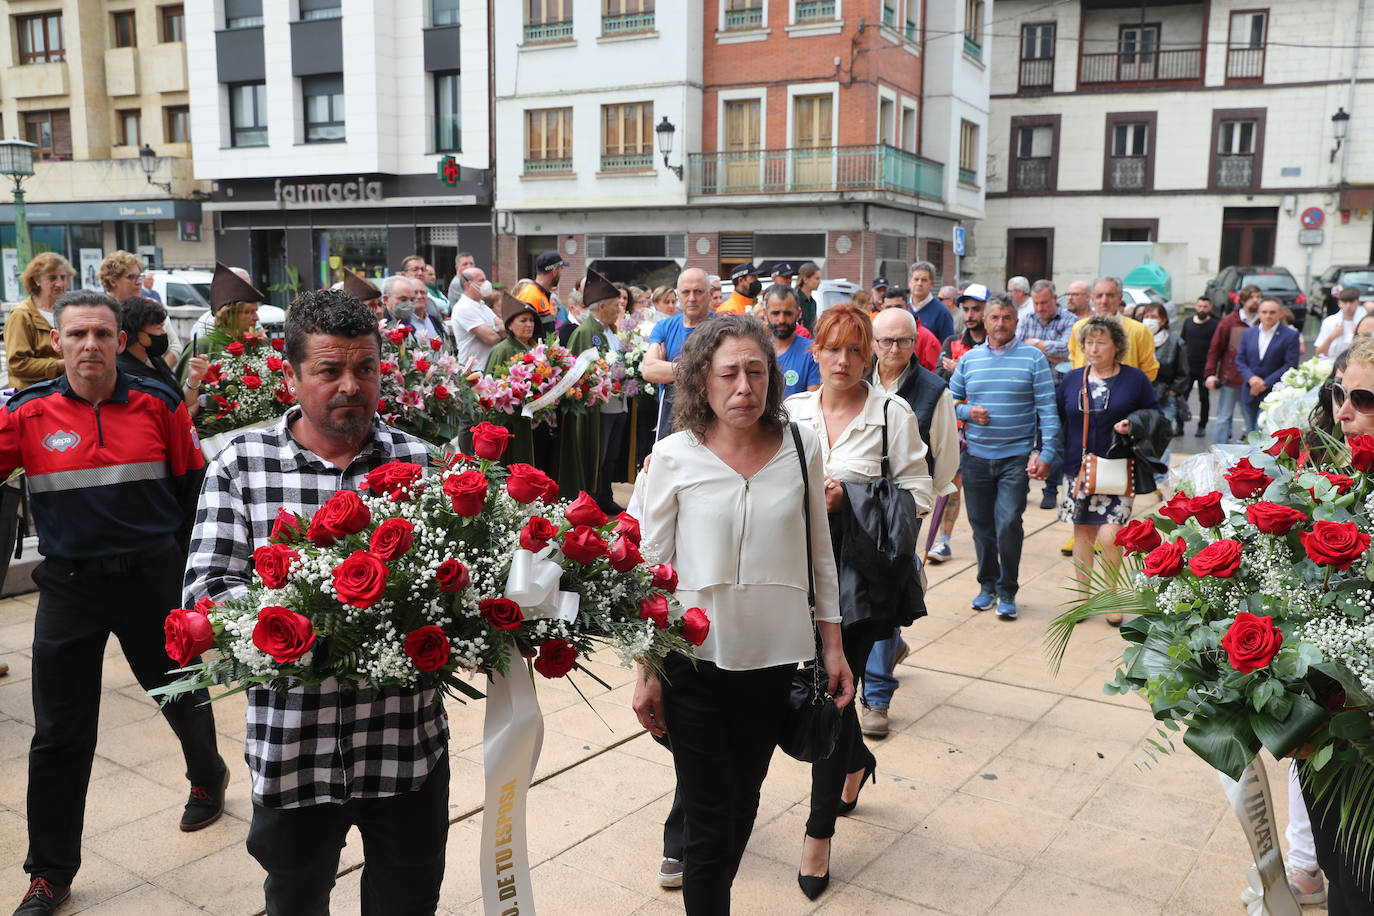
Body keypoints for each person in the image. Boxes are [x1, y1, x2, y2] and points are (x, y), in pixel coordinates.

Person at [184, 288, 450, 915]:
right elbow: (207, 591)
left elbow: (457, 581)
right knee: (296, 899)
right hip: (293, 751)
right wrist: (312, 617)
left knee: (408, 900)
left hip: (404, 746)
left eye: (365, 368)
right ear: (292, 376)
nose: (350, 386)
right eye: (329, 370)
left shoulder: (423, 462)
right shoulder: (240, 466)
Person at [8, 290, 226, 916]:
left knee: (180, 693)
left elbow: (191, 492)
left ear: (117, 338)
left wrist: (195, 582)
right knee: (59, 732)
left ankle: (207, 774)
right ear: (57, 342)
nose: (90, 346)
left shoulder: (159, 402)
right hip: (69, 587)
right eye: (76, 335)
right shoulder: (26, 414)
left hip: (151, 580)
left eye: (102, 334)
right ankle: (50, 872)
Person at [633, 314, 854, 914]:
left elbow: (821, 556)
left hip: (775, 659)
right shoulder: (672, 456)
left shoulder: (802, 446)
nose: (743, 387)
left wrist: (831, 646)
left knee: (742, 804)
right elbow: (651, 572)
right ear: (700, 382)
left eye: (756, 372)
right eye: (728, 373)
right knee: (707, 819)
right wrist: (646, 668)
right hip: (692, 662)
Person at [784, 306, 931, 901]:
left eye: (854, 350)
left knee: (832, 695)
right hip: (795, 570)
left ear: (871, 353)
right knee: (814, 693)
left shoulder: (893, 414)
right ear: (813, 352)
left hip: (861, 577)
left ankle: (817, 834)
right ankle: (856, 762)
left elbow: (921, 491)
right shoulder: (790, 411)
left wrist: (853, 496)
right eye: (831, 349)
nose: (842, 361)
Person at [1301, 334, 1374, 914]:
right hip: (1329, 730)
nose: (1343, 412)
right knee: (1342, 872)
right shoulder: (1325, 479)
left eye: (1365, 398)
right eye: (1339, 394)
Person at [860, 307, 958, 739]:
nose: (894, 349)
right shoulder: (855, 381)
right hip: (854, 503)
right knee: (853, 592)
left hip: (902, 509)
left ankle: (877, 696)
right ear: (873, 344)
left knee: (883, 591)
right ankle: (890, 646)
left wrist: (920, 509)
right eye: (885, 341)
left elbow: (946, 458)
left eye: (903, 341)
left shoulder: (935, 391)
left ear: (915, 342)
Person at [948, 295, 1060, 619]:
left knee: (1008, 522)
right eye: (994, 317)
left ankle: (1008, 589)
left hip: (1016, 457)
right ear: (985, 321)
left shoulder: (1033, 359)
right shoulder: (969, 360)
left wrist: (1047, 452)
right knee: (981, 527)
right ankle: (987, 585)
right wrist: (968, 411)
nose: (1000, 323)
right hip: (976, 458)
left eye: (1007, 317)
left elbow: (1048, 411)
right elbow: (949, 401)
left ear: (1016, 321)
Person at [1057, 316, 1160, 626]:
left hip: (1118, 467)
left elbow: (1154, 414)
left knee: (1111, 534)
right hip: (1078, 468)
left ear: (1117, 346)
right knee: (1083, 533)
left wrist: (1133, 424)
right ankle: (1083, 598)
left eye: (1101, 342)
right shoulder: (1071, 379)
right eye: (1088, 342)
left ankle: (1112, 596)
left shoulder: (1135, 378)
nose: (1093, 348)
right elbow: (1060, 421)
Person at [928, 284, 990, 564]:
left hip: (991, 430)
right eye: (965, 309)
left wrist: (961, 366)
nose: (970, 314)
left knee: (985, 496)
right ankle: (943, 540)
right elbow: (941, 380)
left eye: (976, 308)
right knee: (952, 484)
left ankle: (988, 547)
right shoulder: (952, 341)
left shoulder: (996, 344)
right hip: (958, 428)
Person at [566, 269, 626, 511]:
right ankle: (591, 499)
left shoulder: (611, 330)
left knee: (610, 455)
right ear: (602, 307)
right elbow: (578, 373)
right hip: (598, 409)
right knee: (596, 455)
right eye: (615, 305)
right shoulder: (587, 332)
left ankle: (604, 496)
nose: (619, 309)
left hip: (617, 404)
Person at [1016, 279, 1076, 507]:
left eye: (1044, 303)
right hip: (1029, 388)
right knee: (1026, 438)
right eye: (1036, 303)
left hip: (1059, 388)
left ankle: (1050, 488)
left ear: (1054, 299)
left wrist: (1037, 344)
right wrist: (1049, 350)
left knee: (1053, 438)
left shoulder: (1070, 320)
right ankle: (1021, 485)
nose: (1040, 308)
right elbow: (1019, 348)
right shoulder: (1026, 318)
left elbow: (1067, 349)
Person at [643, 268, 711, 439]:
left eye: (698, 292)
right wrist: (696, 370)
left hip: (711, 419)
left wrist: (667, 369)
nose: (692, 298)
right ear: (678, 295)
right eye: (686, 292)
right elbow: (649, 370)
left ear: (709, 294)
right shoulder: (664, 327)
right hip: (670, 420)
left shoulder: (722, 327)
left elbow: (716, 374)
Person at [484, 293, 547, 469]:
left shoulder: (537, 348)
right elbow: (490, 389)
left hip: (535, 421)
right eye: (523, 320)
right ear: (510, 325)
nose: (529, 324)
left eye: (532, 320)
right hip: (511, 422)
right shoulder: (502, 350)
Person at [117, 295, 206, 417]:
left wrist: (193, 379)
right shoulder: (126, 375)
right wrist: (186, 416)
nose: (164, 334)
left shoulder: (153, 359)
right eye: (158, 329)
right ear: (136, 333)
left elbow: (179, 401)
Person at [1067, 277, 1159, 381]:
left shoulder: (1140, 331)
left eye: (1110, 295)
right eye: (1099, 296)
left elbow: (1150, 370)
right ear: (1092, 299)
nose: (1104, 301)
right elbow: (1074, 361)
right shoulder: (1079, 328)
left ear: (1120, 298)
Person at [6, 253, 72, 391]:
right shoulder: (22, 315)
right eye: (52, 278)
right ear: (37, 280)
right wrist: (61, 365)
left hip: (65, 393)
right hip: (34, 397)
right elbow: (18, 365)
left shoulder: (68, 311)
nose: (60, 283)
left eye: (63, 277)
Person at [1204, 284, 1261, 445]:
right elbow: (1215, 349)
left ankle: (1253, 457)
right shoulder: (1229, 321)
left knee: (1253, 421)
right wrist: (1210, 374)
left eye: (1258, 297)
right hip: (1231, 378)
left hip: (1254, 379)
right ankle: (1218, 453)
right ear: (1242, 300)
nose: (1256, 300)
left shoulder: (1262, 321)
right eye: (1252, 297)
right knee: (1224, 417)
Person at [1139, 302, 1189, 484]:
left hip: (1165, 396)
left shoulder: (1175, 342)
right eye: (1146, 316)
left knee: (1162, 437)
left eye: (1154, 317)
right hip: (1140, 396)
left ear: (1164, 320)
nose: (1149, 321)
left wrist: (1173, 392)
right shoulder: (1137, 339)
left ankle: (1160, 478)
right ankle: (1143, 475)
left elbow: (1183, 372)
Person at [1236, 297, 1302, 435]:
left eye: (1272, 312)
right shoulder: (1248, 333)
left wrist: (1264, 384)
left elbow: (1290, 365)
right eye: (1264, 312)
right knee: (1251, 433)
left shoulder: (1290, 335)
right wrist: (1252, 379)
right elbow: (1240, 360)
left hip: (1273, 394)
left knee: (1262, 434)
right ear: (1259, 313)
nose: (1268, 315)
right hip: (1250, 391)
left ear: (1280, 314)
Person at [765, 284, 821, 397]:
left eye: (788, 313)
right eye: (775, 313)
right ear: (765, 314)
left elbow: (812, 403)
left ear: (798, 314)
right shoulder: (758, 351)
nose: (781, 320)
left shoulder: (812, 352)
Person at [449, 266, 502, 370]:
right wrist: (496, 331)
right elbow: (490, 338)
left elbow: (503, 326)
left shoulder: (482, 305)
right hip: (473, 371)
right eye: (481, 280)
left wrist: (494, 330)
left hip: (487, 368)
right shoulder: (463, 307)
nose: (486, 283)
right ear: (468, 285)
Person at [1180, 296, 1219, 436]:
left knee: (1204, 398)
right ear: (1196, 307)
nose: (1202, 309)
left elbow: (1217, 348)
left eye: (1205, 306)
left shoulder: (1215, 325)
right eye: (1200, 306)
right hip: (1188, 367)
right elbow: (1182, 343)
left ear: (1210, 308)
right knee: (1182, 397)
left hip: (1205, 368)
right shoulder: (1188, 322)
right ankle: (1179, 426)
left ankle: (1202, 426)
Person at [517, 251, 566, 336]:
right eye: (561, 269)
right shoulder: (530, 296)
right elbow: (522, 335)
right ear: (554, 271)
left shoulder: (543, 295)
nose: (561, 274)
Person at [909, 261, 953, 344]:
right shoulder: (903, 308)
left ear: (932, 284)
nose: (919, 283)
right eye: (916, 279)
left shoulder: (942, 312)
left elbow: (947, 347)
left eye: (924, 280)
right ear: (909, 282)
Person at [1316, 286, 1363, 359]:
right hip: (1333, 365)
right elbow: (1319, 353)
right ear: (1339, 303)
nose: (1348, 306)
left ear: (1358, 302)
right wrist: (1331, 337)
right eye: (1345, 302)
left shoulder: (1366, 322)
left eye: (1351, 302)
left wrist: (1360, 334)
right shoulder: (1329, 322)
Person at [796, 261, 821, 330]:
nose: (820, 282)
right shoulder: (795, 300)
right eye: (817, 278)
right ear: (805, 279)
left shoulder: (813, 302)